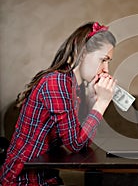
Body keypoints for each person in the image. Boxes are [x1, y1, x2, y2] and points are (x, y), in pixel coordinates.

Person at [0, 21, 117, 185]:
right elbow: (75, 144)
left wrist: (92, 100)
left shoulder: (73, 87)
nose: (106, 69)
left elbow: (83, 143)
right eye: (103, 60)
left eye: (108, 62)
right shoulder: (56, 82)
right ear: (83, 54)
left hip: (47, 176)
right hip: (23, 177)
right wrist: (102, 103)